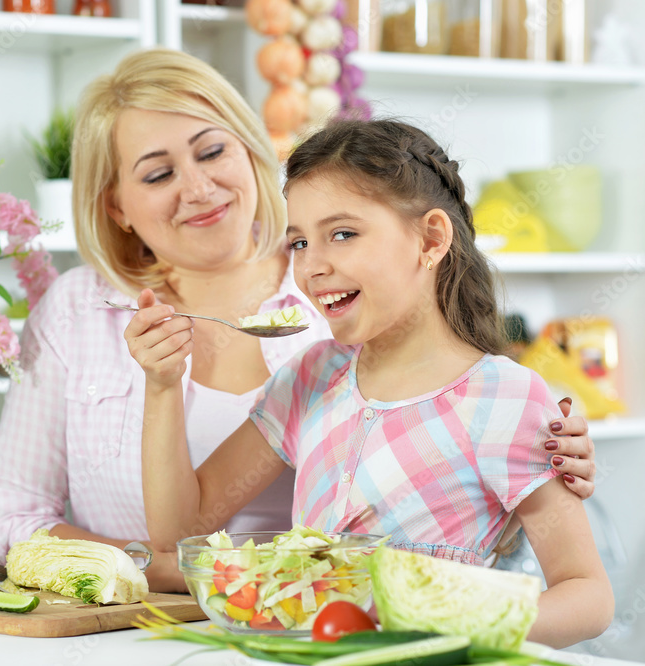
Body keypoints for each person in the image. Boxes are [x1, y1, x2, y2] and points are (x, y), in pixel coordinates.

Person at [0, 49, 597, 593]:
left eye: (212, 150)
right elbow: (146, 530)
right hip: (212, 624)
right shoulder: (313, 366)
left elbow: (471, 421)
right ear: (117, 206)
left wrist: (539, 432)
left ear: (249, 151)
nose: (197, 188)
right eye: (160, 173)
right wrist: (151, 568)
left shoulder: (342, 310)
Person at [127, 118, 613, 645]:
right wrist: (162, 384)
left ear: (430, 239)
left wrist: (449, 627)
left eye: (342, 234)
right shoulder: (312, 378)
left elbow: (587, 595)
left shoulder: (504, 399)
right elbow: (181, 535)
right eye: (299, 243)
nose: (313, 266)